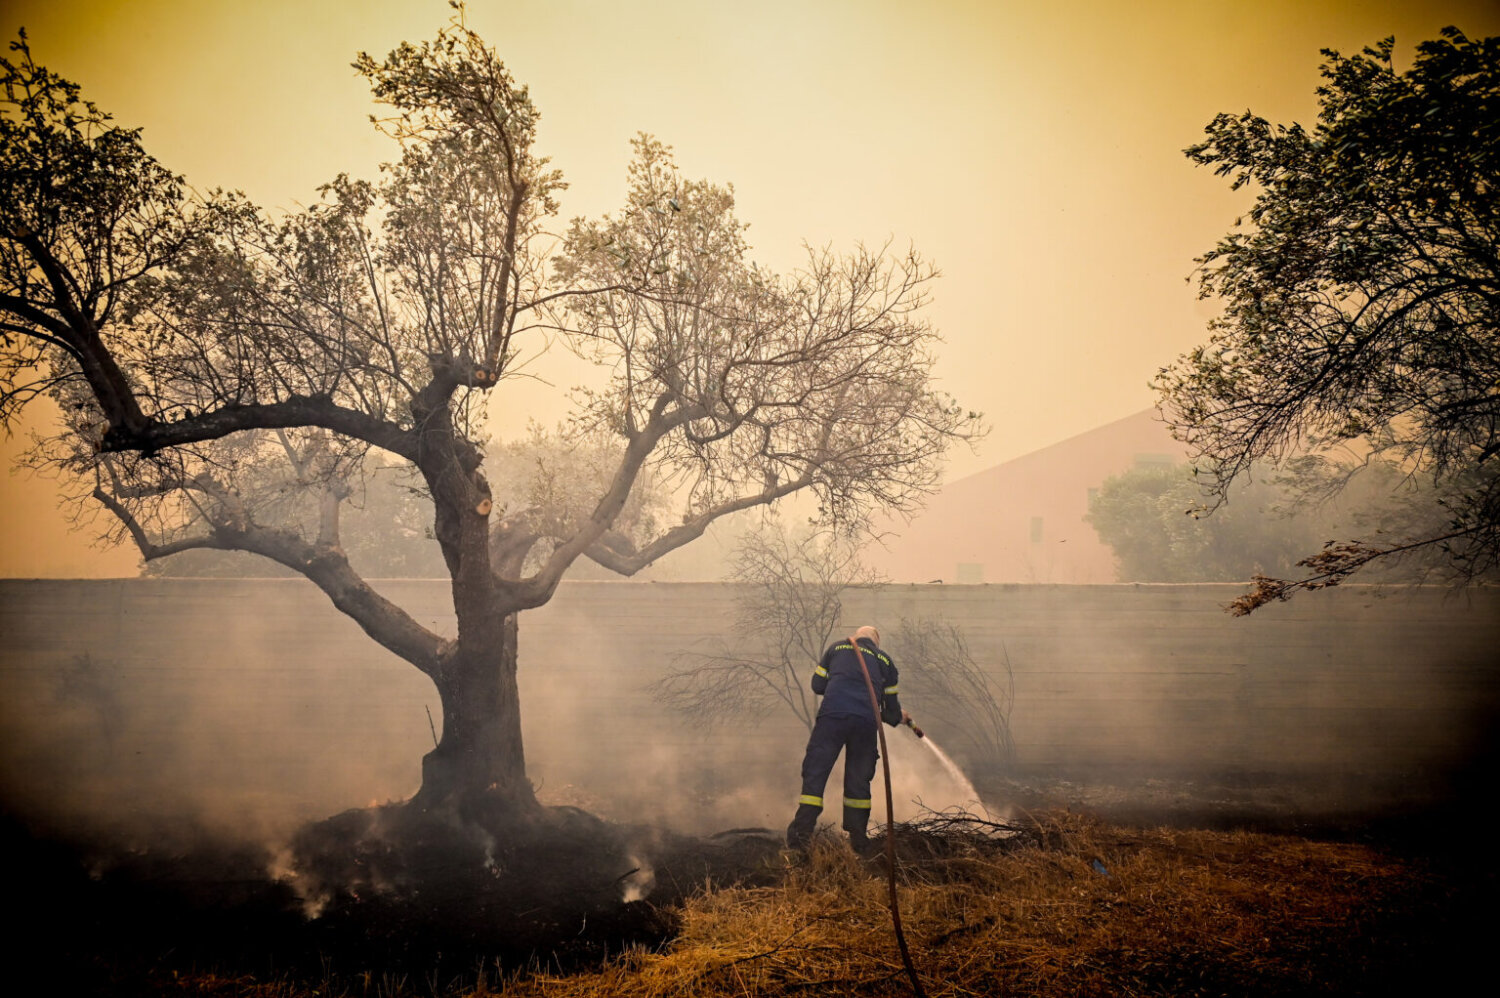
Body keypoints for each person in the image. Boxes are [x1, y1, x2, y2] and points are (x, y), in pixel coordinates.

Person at [786, 624, 909, 854]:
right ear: (876, 642)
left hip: (833, 717)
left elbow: (817, 684)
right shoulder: (885, 661)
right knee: (858, 777)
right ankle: (858, 839)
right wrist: (898, 717)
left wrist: (840, 685)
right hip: (864, 723)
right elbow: (891, 712)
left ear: (856, 636)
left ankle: (801, 836)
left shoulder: (836, 648)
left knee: (817, 771)